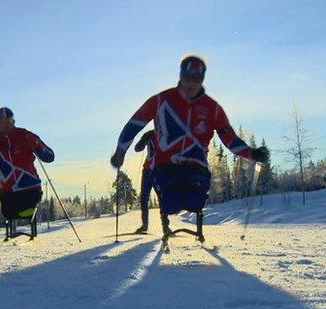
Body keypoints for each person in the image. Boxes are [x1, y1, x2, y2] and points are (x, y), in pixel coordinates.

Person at [110, 56, 268, 235]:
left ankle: (189, 213)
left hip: (196, 170)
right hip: (165, 169)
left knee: (194, 201)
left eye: (196, 79)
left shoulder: (212, 108)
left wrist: (253, 154)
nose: (191, 84)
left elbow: (230, 139)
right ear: (181, 76)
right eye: (187, 78)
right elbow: (134, 124)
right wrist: (120, 151)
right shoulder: (161, 100)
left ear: (202, 80)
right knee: (171, 202)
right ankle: (162, 219)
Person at [0, 107, 55, 227]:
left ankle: (29, 215)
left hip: (31, 189)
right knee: (9, 212)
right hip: (8, 192)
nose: (3, 125)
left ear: (12, 120)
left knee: (24, 209)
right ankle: (15, 220)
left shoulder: (25, 135)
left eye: (6, 121)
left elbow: (50, 157)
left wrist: (37, 145)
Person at [133, 130, 155, 233]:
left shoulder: (167, 132)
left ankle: (166, 226)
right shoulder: (150, 134)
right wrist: (144, 139)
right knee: (144, 197)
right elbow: (137, 148)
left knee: (162, 197)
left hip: (161, 168)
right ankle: (144, 225)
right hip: (148, 169)